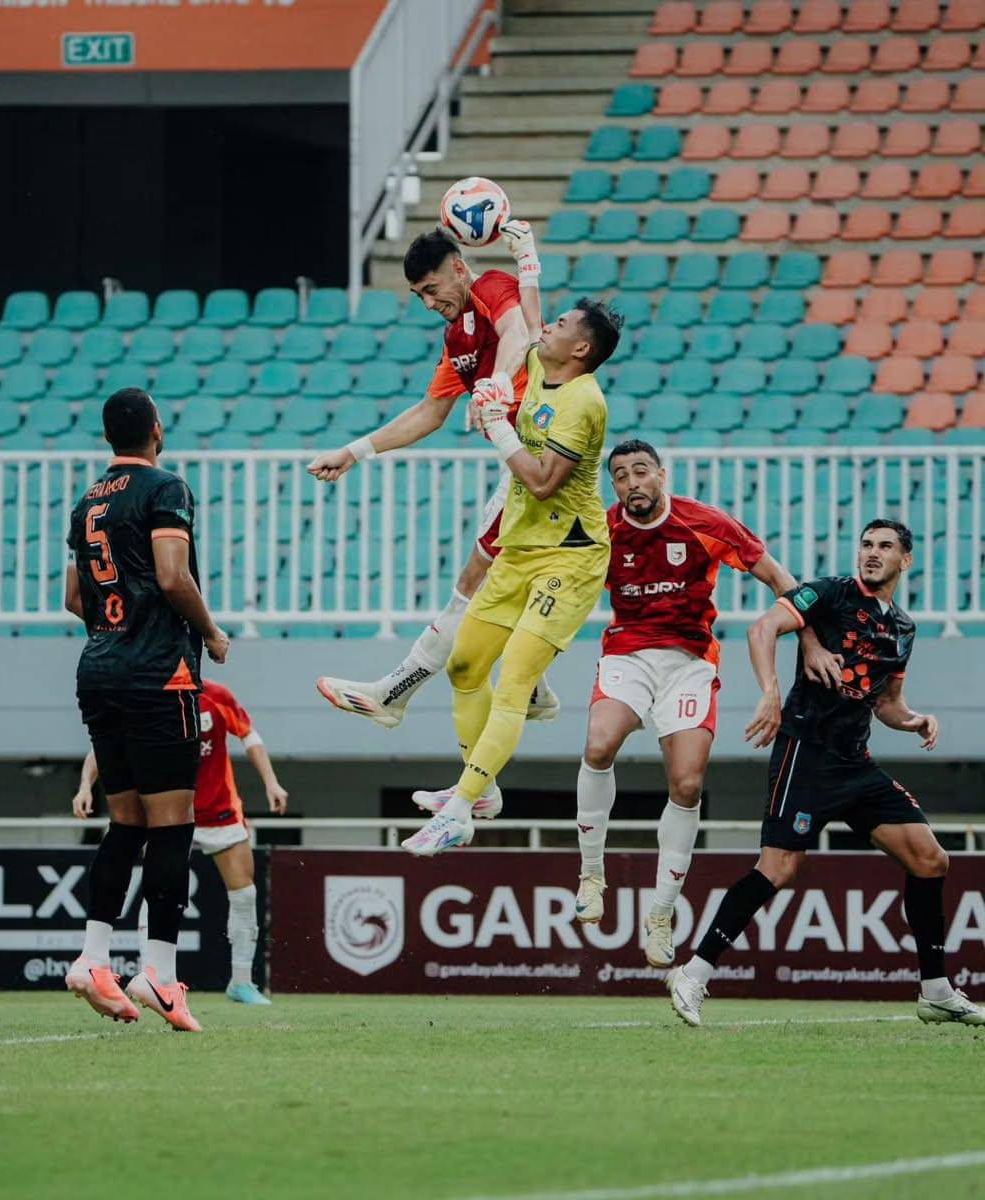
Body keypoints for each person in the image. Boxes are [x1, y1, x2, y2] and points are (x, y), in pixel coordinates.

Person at [667, 519, 984, 1028]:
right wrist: (770, 692)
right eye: (866, 545)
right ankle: (694, 972)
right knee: (778, 869)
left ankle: (936, 991)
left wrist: (915, 720)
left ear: (906, 561)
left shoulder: (902, 627)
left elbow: (887, 704)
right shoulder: (831, 593)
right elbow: (762, 628)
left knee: (930, 859)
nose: (871, 553)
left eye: (884, 547)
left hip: (854, 762)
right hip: (805, 752)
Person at [574, 440, 841, 967]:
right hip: (627, 651)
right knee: (599, 744)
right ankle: (590, 874)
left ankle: (660, 912)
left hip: (690, 661)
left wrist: (808, 639)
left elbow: (779, 578)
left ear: (661, 475)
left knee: (688, 783)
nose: (631, 483)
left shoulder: (705, 523)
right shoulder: (601, 529)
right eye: (621, 475)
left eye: (640, 471)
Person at [402, 269, 623, 856]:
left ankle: (456, 811)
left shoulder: (583, 401)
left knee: (513, 681)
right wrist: (526, 261)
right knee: (465, 667)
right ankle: (480, 793)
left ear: (580, 348)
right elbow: (526, 317)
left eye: (562, 324)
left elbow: (545, 482)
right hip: (521, 550)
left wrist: (498, 424)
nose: (546, 326)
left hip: (570, 559)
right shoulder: (545, 371)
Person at [307, 226, 558, 737]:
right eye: (418, 294)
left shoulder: (490, 288)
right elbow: (428, 413)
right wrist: (355, 452)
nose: (427, 302)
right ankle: (534, 690)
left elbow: (519, 332)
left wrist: (495, 383)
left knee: (472, 588)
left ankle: (392, 696)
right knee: (490, 595)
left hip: (542, 462)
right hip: (522, 471)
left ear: (459, 269)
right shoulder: (456, 338)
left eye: (431, 288)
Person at [63, 387, 229, 1034]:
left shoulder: (86, 504)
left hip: (98, 669)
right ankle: (159, 971)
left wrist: (117, 625)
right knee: (172, 824)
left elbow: (76, 597)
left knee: (125, 824)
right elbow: (171, 576)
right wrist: (210, 633)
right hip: (160, 674)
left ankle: (94, 957)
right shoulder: (166, 488)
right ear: (155, 430)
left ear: (111, 438)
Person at [72, 678, 288, 1007]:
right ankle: (153, 976)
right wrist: (85, 786)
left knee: (245, 892)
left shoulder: (217, 695)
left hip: (218, 811)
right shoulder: (149, 694)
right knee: (155, 889)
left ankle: (242, 982)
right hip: (167, 813)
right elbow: (105, 746)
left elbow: (249, 735)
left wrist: (271, 782)